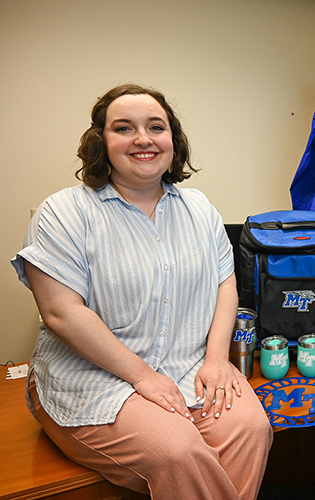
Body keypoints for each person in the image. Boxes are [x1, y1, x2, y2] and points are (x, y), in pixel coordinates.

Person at [11, 84, 273, 499]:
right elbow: (61, 313)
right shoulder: (64, 212)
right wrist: (142, 377)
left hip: (189, 367)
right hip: (93, 381)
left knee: (250, 427)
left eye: (156, 126)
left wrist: (218, 360)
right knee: (178, 451)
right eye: (124, 128)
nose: (143, 139)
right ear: (102, 141)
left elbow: (226, 284)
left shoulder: (200, 210)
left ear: (173, 140)